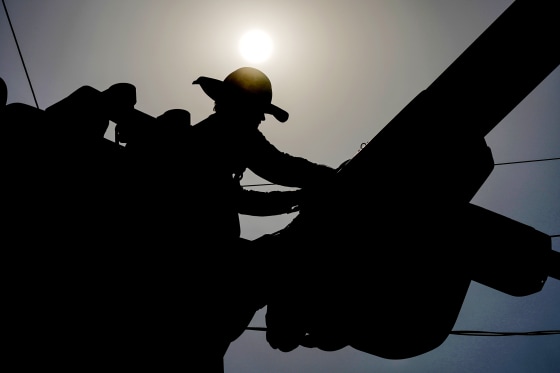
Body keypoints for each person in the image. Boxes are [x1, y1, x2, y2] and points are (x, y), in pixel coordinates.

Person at [183, 66, 336, 370]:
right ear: (240, 106)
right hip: (203, 255)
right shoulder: (231, 131)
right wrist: (329, 181)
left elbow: (241, 195)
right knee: (279, 258)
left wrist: (299, 197)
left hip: (209, 251)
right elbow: (280, 168)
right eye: (258, 110)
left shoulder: (217, 133)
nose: (262, 118)